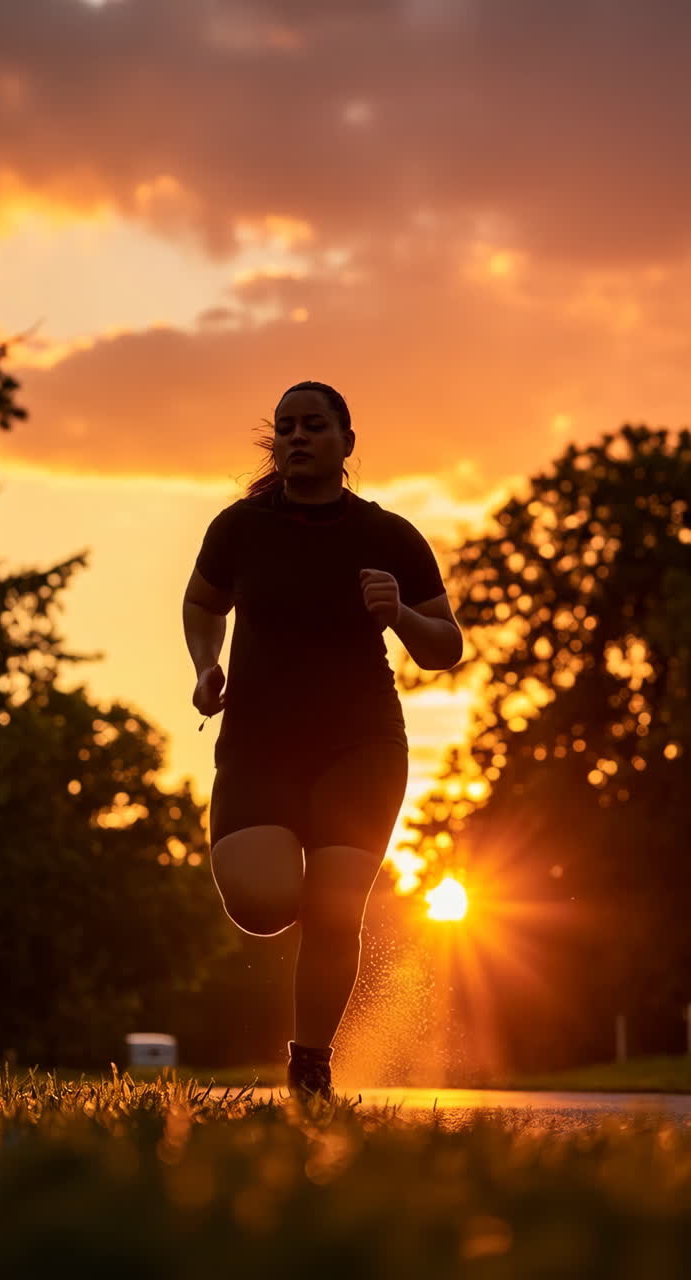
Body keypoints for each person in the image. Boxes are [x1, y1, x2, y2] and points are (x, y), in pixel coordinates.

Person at [182, 380, 463, 1103]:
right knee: (266, 903)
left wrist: (398, 611)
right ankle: (301, 882)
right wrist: (206, 664)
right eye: (286, 427)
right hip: (260, 745)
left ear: (346, 442)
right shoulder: (240, 528)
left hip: (361, 745)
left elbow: (445, 647)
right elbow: (202, 603)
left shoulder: (387, 535)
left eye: (313, 425)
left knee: (337, 910)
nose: (297, 436)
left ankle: (310, 1065)